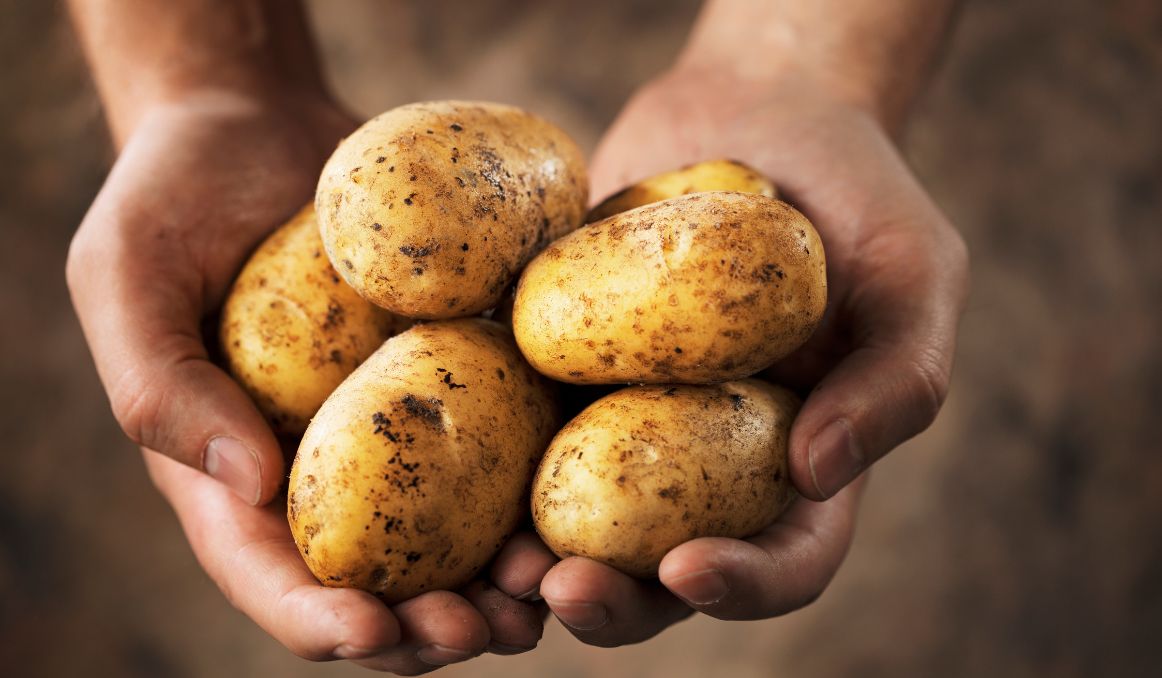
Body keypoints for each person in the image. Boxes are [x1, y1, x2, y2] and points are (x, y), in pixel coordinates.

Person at [65, 0, 969, 672]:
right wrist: (208, 84)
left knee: (584, 496)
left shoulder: (554, 303)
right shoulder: (483, 286)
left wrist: (801, 66)